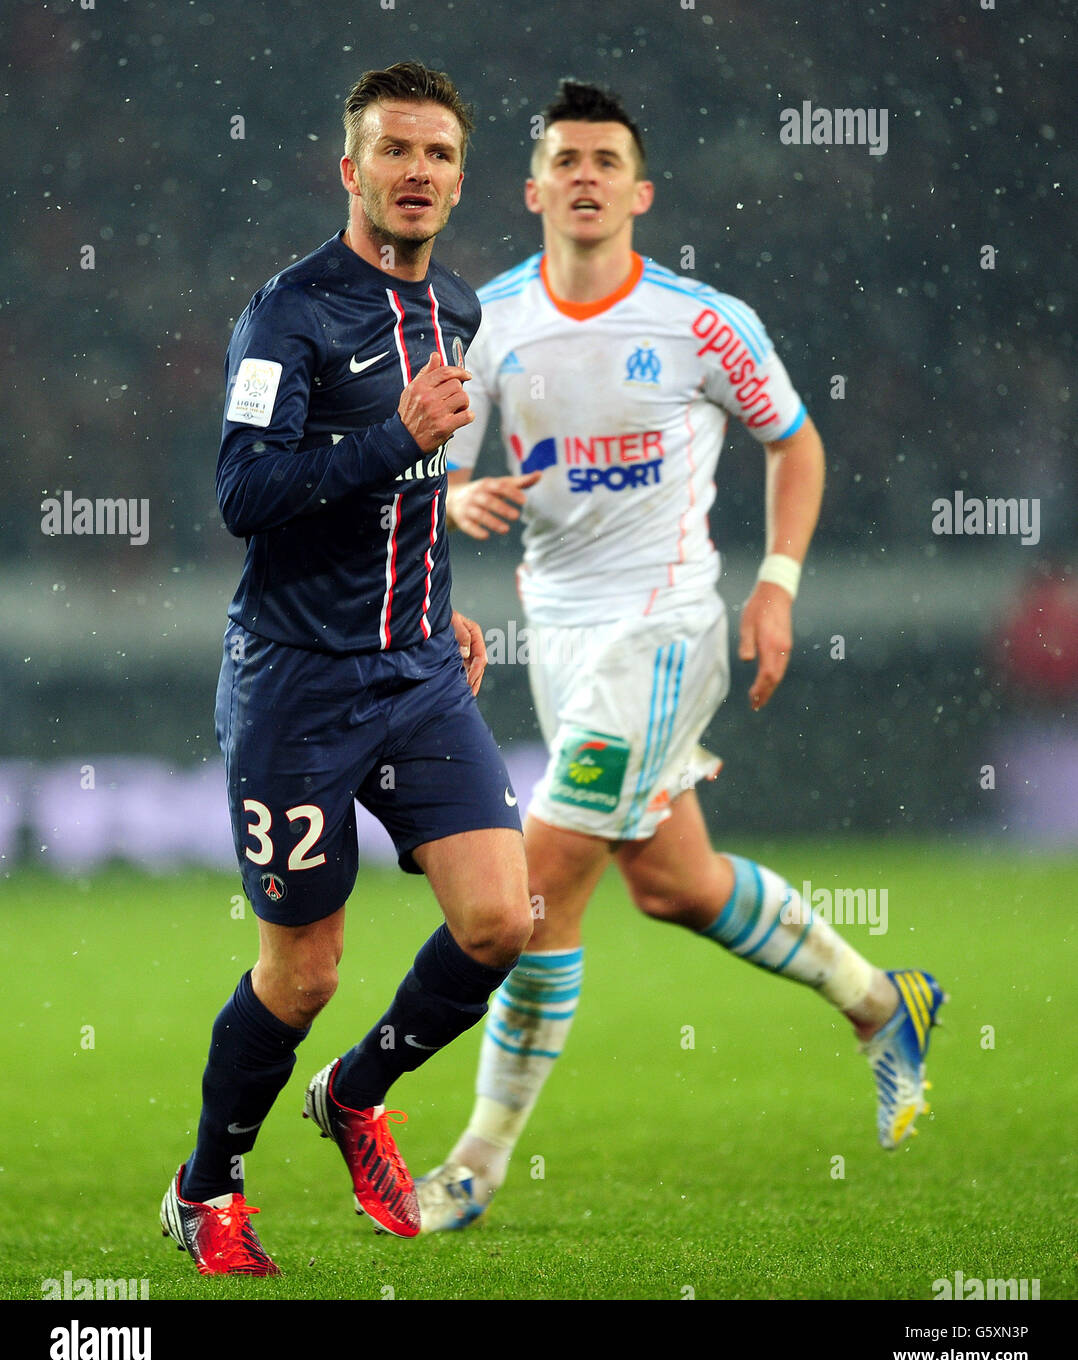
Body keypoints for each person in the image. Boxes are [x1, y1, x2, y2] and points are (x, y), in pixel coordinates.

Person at [416, 80, 945, 1233]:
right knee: (674, 885)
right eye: (567, 160)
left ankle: (475, 1160)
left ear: (640, 191)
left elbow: (794, 445)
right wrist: (457, 496)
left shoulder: (705, 320)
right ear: (534, 188)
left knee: (537, 882)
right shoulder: (488, 320)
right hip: (558, 636)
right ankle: (878, 1000)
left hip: (666, 632)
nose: (588, 176)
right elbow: (434, 463)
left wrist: (777, 584)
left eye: (608, 160)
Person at [160, 62, 533, 1275]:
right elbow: (241, 493)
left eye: (436, 155)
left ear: (460, 181)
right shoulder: (291, 314)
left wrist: (446, 606)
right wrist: (393, 436)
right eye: (394, 151)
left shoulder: (459, 311)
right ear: (351, 169)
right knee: (303, 973)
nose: (416, 172)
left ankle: (356, 1093)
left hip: (418, 667)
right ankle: (206, 1186)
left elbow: (410, 504)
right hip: (298, 683)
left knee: (498, 922)